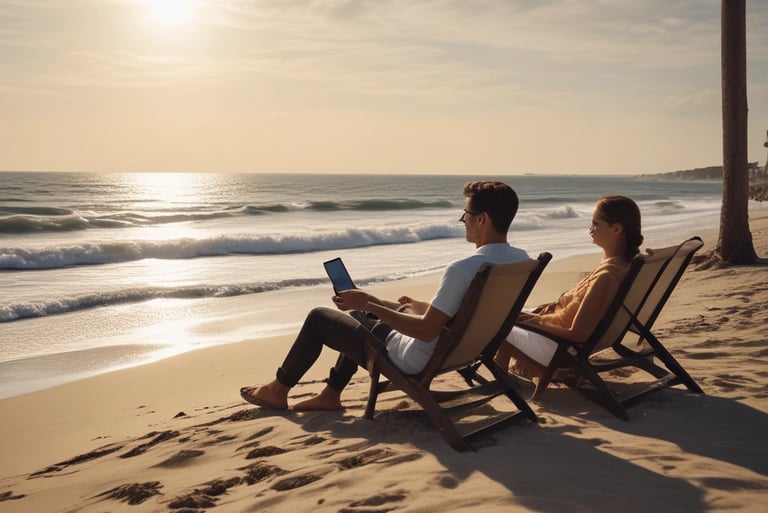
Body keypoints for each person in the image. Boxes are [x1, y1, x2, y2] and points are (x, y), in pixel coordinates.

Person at [240, 181, 529, 411]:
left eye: (465, 215)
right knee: (360, 314)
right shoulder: (520, 262)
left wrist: (369, 305)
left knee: (320, 318)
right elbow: (458, 318)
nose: (462, 221)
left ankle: (277, 391)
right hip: (461, 351)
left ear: (482, 219)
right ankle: (330, 393)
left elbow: (427, 331)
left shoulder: (464, 269)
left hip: (414, 359)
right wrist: (396, 306)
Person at [495, 194, 644, 375]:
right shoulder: (623, 265)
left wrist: (538, 323)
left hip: (562, 348)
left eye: (596, 224)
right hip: (566, 339)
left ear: (616, 229)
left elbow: (578, 334)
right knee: (515, 314)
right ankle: (510, 373)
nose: (590, 229)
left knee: (497, 325)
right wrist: (537, 319)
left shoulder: (607, 276)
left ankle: (503, 380)